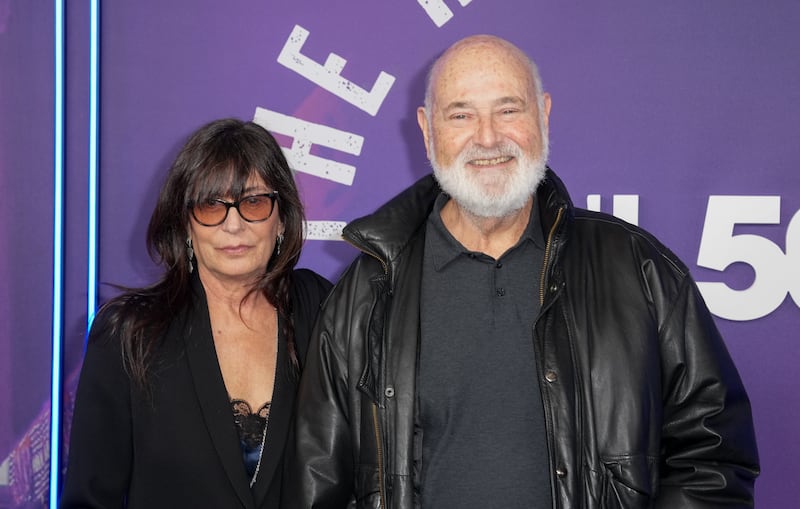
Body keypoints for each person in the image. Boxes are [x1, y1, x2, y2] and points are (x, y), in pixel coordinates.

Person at [285, 35, 760, 508]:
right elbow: (319, 481)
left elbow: (714, 457)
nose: (487, 137)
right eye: (461, 115)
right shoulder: (367, 291)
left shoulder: (639, 269)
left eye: (508, 110)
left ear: (543, 114)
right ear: (428, 130)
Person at [60, 118, 332, 508]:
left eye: (253, 202)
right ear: (186, 223)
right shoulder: (130, 333)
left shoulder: (321, 308)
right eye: (210, 206)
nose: (233, 225)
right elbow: (89, 499)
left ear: (282, 218)